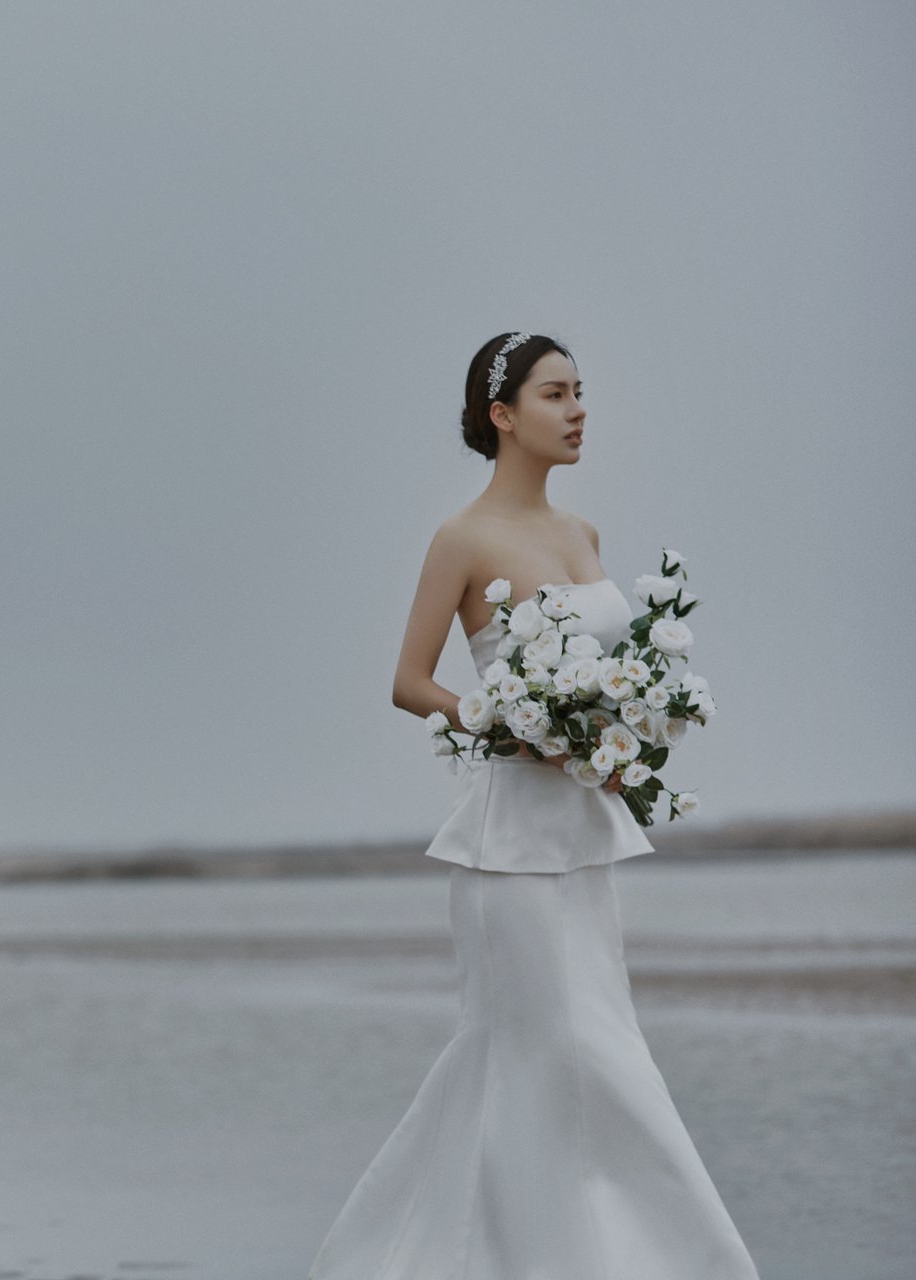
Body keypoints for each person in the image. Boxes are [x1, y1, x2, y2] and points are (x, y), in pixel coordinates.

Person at [307, 333, 757, 1278]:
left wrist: (620, 731)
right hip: (505, 843)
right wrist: (508, 721)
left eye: (582, 392)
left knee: (591, 1044)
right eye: (556, 394)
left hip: (585, 833)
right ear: (503, 415)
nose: (579, 409)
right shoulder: (461, 539)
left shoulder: (582, 537)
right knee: (548, 1053)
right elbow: (407, 680)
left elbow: (615, 674)